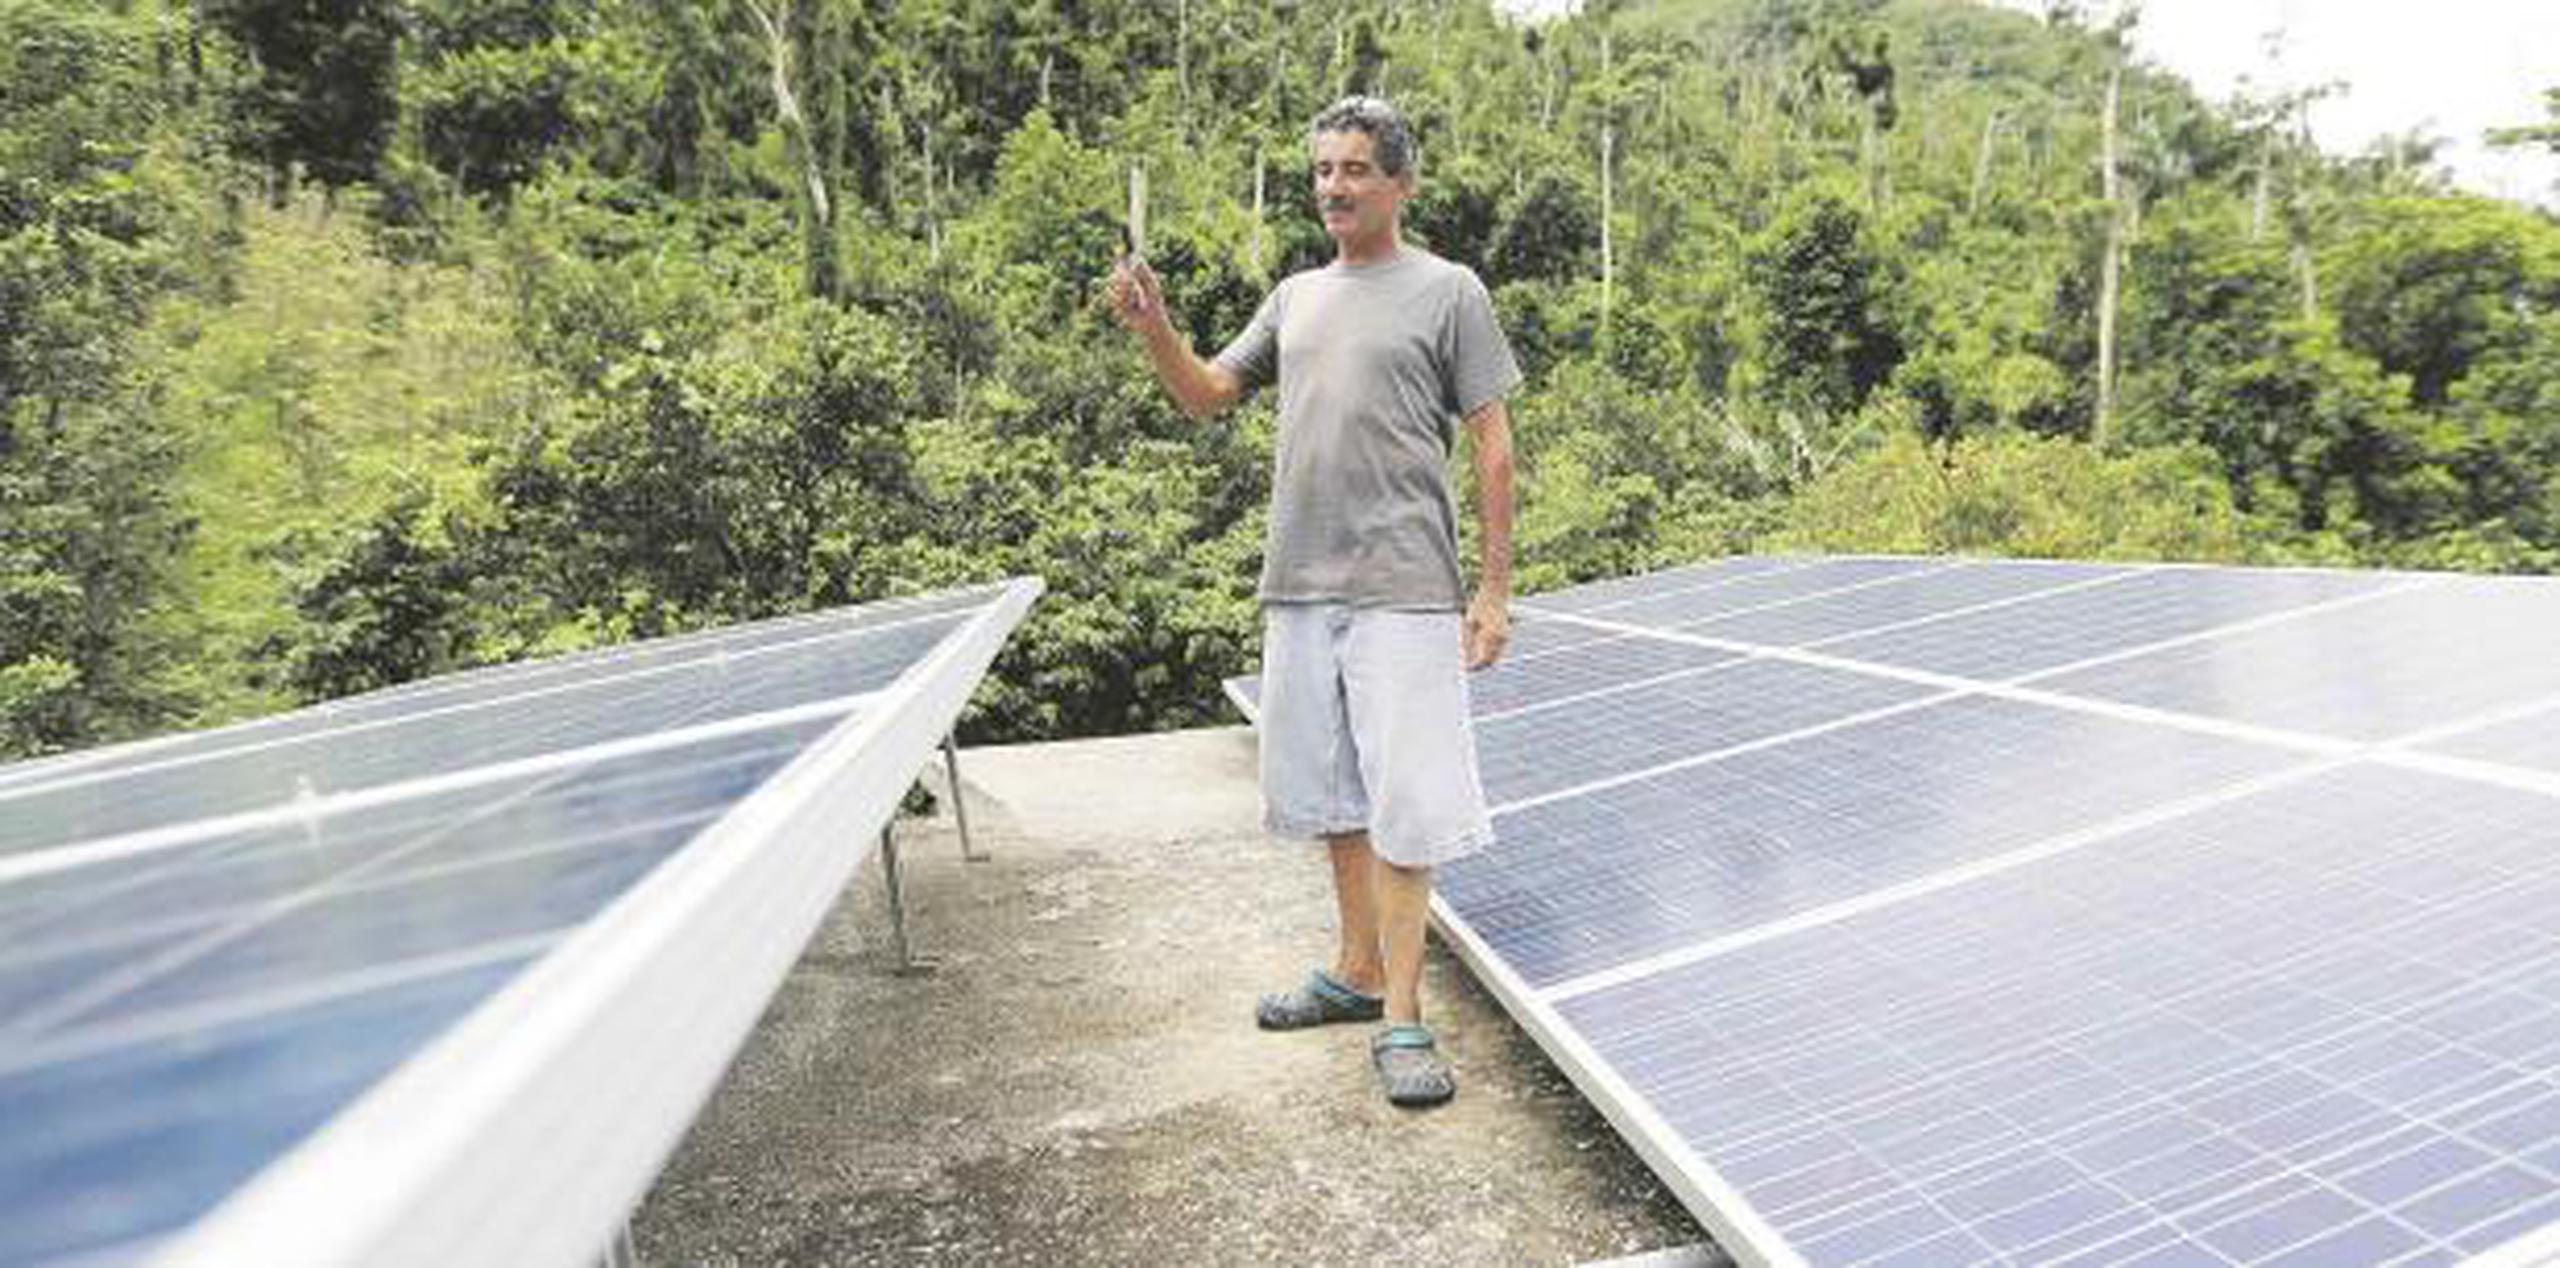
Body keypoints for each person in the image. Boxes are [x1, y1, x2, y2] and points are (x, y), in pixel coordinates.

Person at [1106, 95, 1519, 1108]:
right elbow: (1206, 395)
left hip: (1407, 589)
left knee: (1406, 807)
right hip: (1299, 583)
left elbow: (1493, 444)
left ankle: (1405, 1015)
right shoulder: (1293, 297)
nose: (1334, 186)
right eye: (1322, 170)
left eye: (1354, 170)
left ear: (1400, 184)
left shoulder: (1449, 291)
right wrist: (1154, 326)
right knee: (1335, 796)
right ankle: (1356, 968)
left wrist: (1494, 589)